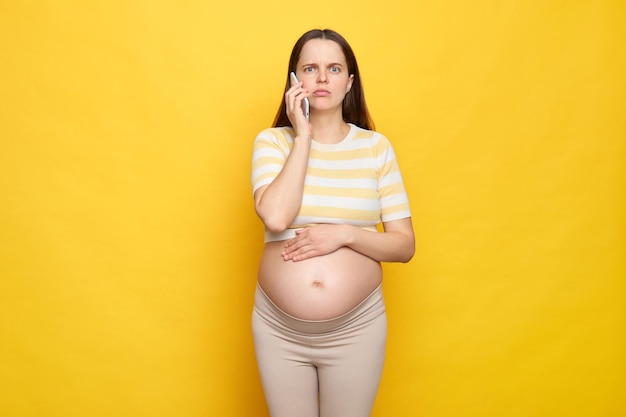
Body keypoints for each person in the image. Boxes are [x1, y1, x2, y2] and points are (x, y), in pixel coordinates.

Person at [250, 28, 415, 417]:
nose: (322, 79)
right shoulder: (273, 143)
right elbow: (275, 215)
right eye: (310, 68)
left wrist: (342, 235)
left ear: (349, 81)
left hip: (357, 328)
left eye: (334, 68)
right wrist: (303, 135)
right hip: (279, 330)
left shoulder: (376, 148)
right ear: (294, 81)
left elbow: (404, 246)